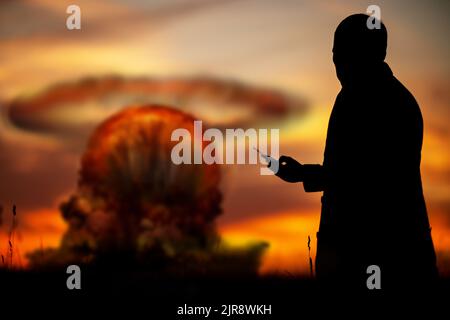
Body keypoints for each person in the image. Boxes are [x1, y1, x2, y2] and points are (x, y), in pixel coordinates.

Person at [274, 14, 438, 289]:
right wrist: (305, 174)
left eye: (345, 54)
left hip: (382, 252)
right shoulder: (359, 96)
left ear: (373, 54)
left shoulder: (387, 103)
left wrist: (304, 174)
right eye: (335, 55)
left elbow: (372, 178)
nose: (337, 64)